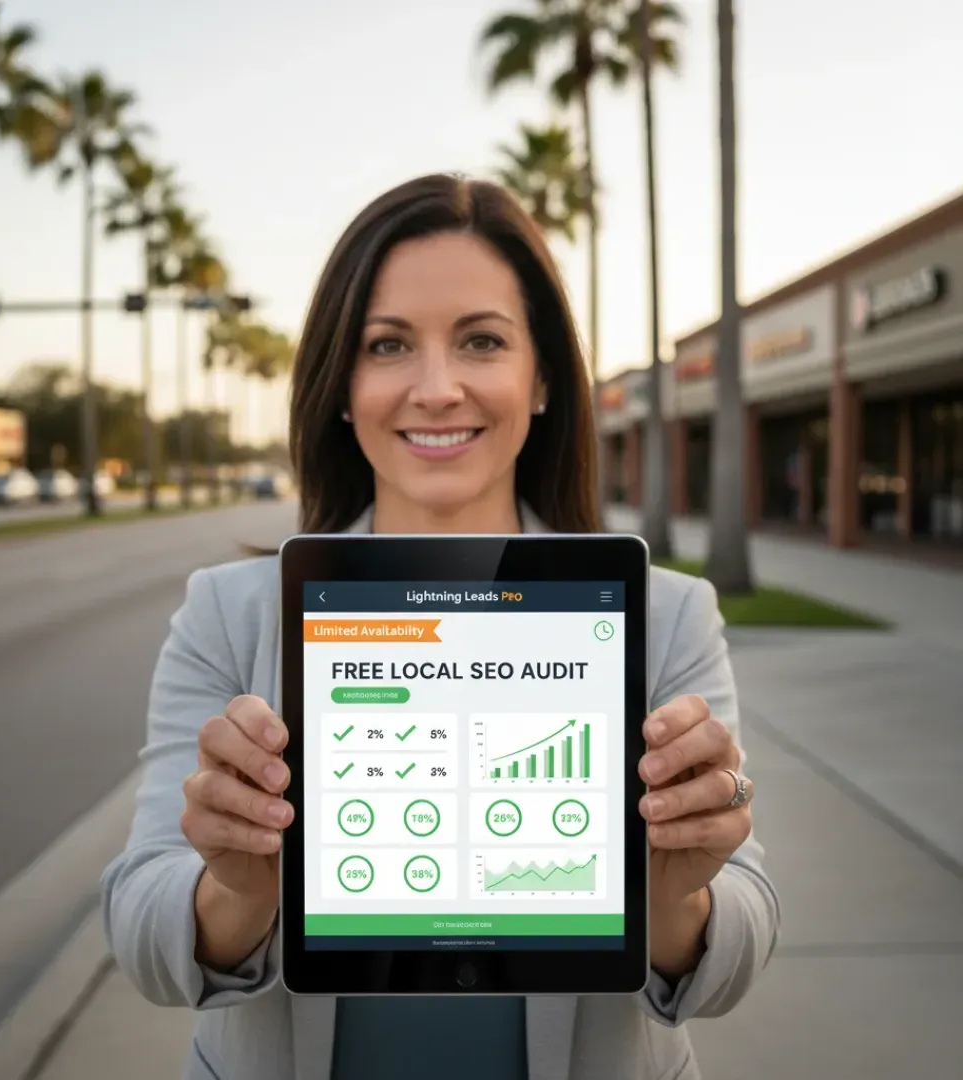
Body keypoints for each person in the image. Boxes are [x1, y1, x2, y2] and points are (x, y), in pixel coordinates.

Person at [101, 173, 781, 1080]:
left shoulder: (663, 616)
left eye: (482, 341)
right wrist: (234, 891)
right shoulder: (229, 614)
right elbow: (141, 928)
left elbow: (739, 947)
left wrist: (677, 899)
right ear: (342, 385)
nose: (436, 387)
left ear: (541, 379)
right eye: (387, 345)